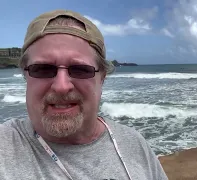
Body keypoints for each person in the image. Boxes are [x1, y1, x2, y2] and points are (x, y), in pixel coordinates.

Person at [0, 9, 168, 180]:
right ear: (25, 75)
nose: (61, 86)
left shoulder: (134, 144)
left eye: (80, 70)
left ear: (101, 78)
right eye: (42, 69)